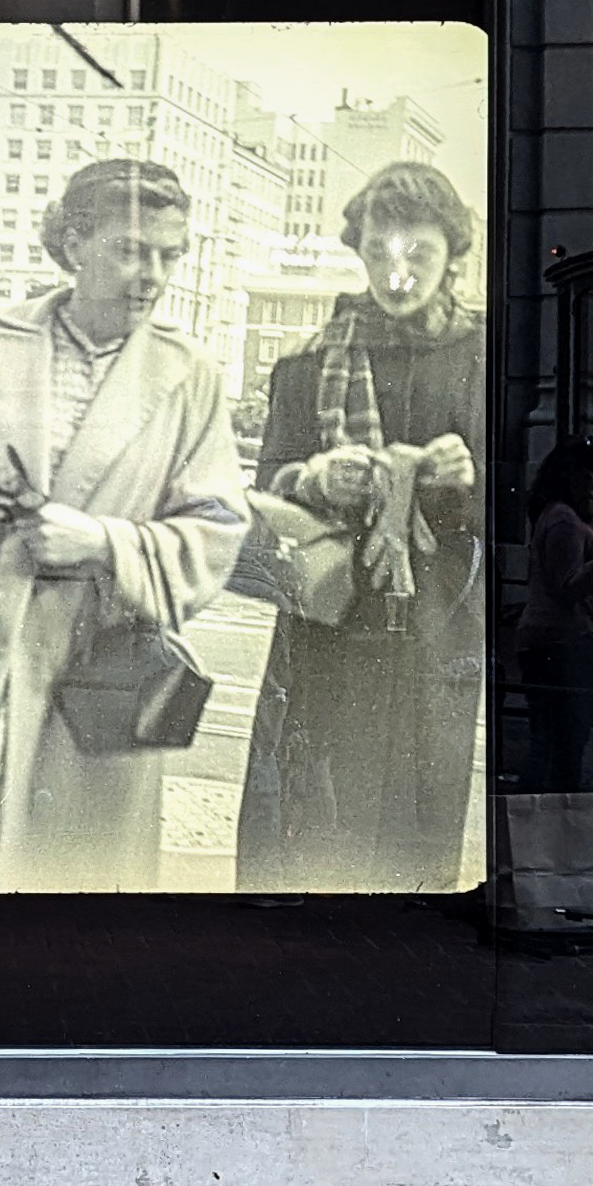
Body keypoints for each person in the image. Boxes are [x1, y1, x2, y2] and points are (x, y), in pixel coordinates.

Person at [0, 158, 247, 893]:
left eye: (168, 254)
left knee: (63, 890)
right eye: (130, 249)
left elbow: (217, 527)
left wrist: (103, 542)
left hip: (93, 677)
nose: (151, 274)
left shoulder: (189, 374)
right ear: (71, 242)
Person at [236, 161, 489, 893]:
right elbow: (265, 510)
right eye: (377, 252)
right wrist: (312, 480)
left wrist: (470, 481)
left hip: (434, 641)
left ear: (452, 254)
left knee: (413, 842)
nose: (395, 273)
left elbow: (535, 502)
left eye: (417, 255)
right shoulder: (308, 364)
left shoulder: (485, 360)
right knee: (312, 832)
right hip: (325, 642)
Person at [513, 437, 593, 795]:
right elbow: (565, 586)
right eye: (590, 477)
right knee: (562, 740)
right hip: (563, 639)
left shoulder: (551, 516)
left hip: (543, 638)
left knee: (546, 737)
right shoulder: (564, 520)